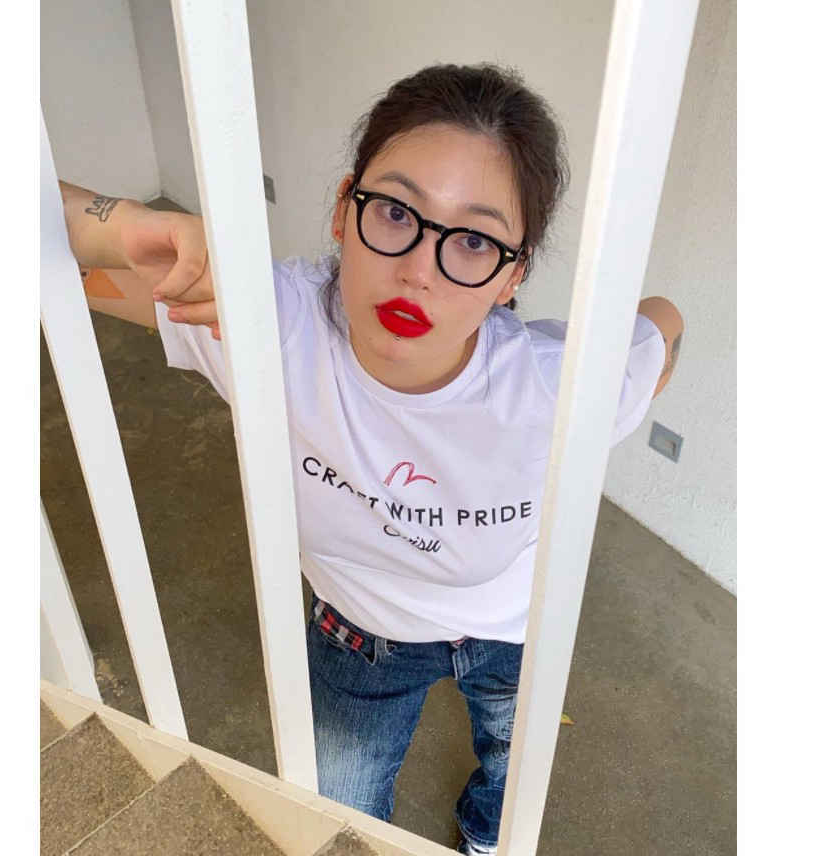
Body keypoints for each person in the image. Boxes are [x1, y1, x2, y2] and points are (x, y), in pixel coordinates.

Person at [57, 63, 683, 855]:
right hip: (359, 635)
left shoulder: (556, 387)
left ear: (512, 276)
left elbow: (663, 323)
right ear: (342, 210)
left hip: (516, 627)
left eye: (474, 241)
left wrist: (632, 371)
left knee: (514, 768)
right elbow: (30, 241)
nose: (418, 269)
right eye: (394, 211)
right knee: (337, 823)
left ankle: (486, 834)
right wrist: (121, 224)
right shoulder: (266, 326)